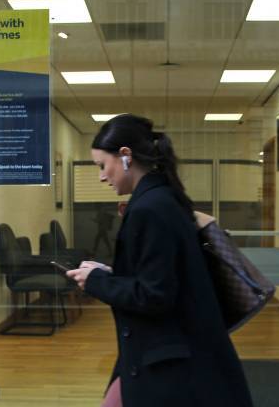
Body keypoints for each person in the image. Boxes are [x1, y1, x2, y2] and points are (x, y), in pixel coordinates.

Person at [66, 114, 253, 406]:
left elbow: (155, 295)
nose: (102, 176)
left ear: (125, 156)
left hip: (167, 361)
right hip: (167, 354)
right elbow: (163, 274)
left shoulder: (149, 209)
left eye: (103, 166)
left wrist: (96, 282)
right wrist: (111, 273)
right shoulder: (164, 198)